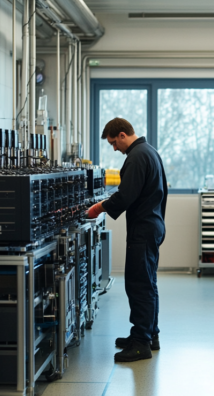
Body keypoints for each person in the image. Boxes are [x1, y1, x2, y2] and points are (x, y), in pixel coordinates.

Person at [87, 117, 167, 362]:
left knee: (139, 285)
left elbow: (125, 196)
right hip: (152, 225)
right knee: (148, 283)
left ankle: (141, 344)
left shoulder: (136, 156)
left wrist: (98, 207)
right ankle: (147, 335)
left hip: (143, 230)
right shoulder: (149, 151)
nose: (114, 149)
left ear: (122, 135)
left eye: (113, 143)